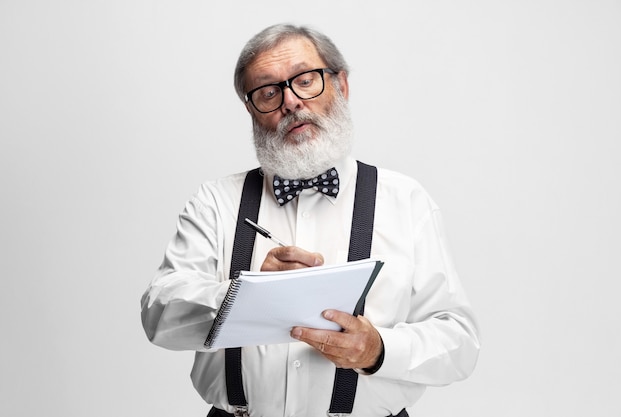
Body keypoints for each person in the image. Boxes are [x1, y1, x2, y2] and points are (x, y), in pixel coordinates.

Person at [141, 23, 480, 417]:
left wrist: (379, 350)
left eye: (305, 80)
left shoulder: (405, 200)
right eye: (269, 92)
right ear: (251, 111)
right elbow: (158, 316)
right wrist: (242, 296)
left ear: (341, 86)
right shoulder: (215, 201)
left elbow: (459, 341)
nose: (291, 102)